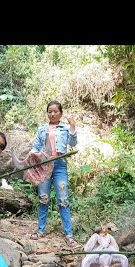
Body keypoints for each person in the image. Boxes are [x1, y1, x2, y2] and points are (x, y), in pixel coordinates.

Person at [30, 100, 78, 246]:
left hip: (60, 166)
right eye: (50, 111)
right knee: (43, 198)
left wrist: (72, 125)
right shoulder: (42, 129)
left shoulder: (64, 128)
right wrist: (34, 154)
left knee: (63, 199)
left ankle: (69, 234)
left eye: (55, 111)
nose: (52, 114)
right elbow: (35, 147)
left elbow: (73, 143)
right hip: (44, 165)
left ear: (60, 113)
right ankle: (40, 230)